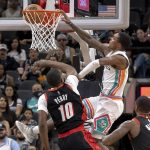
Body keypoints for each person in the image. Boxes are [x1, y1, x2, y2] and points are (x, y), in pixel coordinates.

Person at [61, 10, 131, 139]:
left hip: (112, 104)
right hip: (101, 98)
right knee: (73, 110)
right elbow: (89, 39)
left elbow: (95, 63)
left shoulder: (121, 59)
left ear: (119, 44)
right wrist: (71, 23)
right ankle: (33, 132)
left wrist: (79, 76)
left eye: (114, 38)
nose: (110, 39)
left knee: (96, 141)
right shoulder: (109, 50)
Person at [17, 60, 103, 150]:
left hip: (63, 140)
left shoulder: (44, 97)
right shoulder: (70, 85)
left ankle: (32, 131)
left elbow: (42, 124)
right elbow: (70, 69)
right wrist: (45, 63)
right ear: (61, 79)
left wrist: (46, 147)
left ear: (48, 84)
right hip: (79, 135)